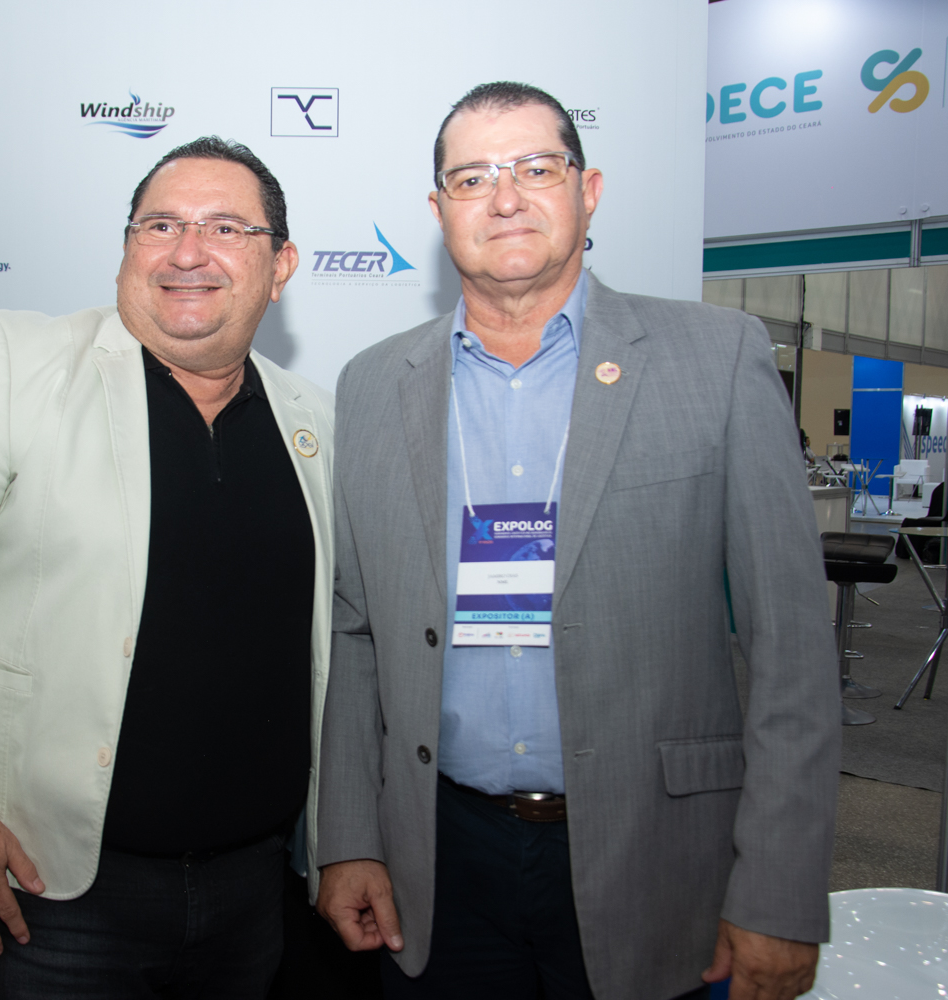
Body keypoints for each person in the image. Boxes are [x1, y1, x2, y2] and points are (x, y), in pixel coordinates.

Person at [315, 82, 839, 1000]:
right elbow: (356, 634)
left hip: (657, 857)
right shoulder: (370, 383)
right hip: (439, 863)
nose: (504, 198)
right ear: (439, 212)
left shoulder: (717, 358)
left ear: (587, 190)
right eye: (472, 177)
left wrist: (780, 891)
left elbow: (791, 648)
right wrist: (349, 838)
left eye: (535, 168)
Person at [0, 136, 336, 999]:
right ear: (126, 250)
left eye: (226, 228)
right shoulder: (15, 367)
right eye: (161, 225)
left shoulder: (316, 420)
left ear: (280, 265)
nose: (188, 252)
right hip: (48, 894)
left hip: (254, 891)